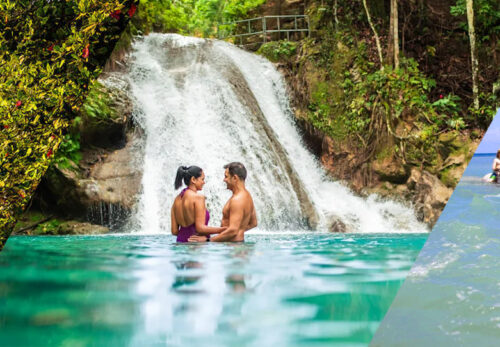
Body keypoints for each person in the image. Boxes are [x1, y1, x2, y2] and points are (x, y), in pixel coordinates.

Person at [189, 162, 257, 243]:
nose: (224, 180)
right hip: (237, 244)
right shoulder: (247, 196)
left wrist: (208, 240)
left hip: (233, 247)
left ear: (235, 178)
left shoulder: (237, 200)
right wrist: (239, 231)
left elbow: (233, 230)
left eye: (226, 177)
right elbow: (253, 223)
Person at [171, 165, 226, 242]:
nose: (204, 182)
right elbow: (200, 228)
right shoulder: (198, 198)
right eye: (202, 179)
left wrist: (186, 235)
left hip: (180, 243)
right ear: (193, 179)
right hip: (195, 246)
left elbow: (174, 231)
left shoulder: (176, 199)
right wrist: (225, 230)